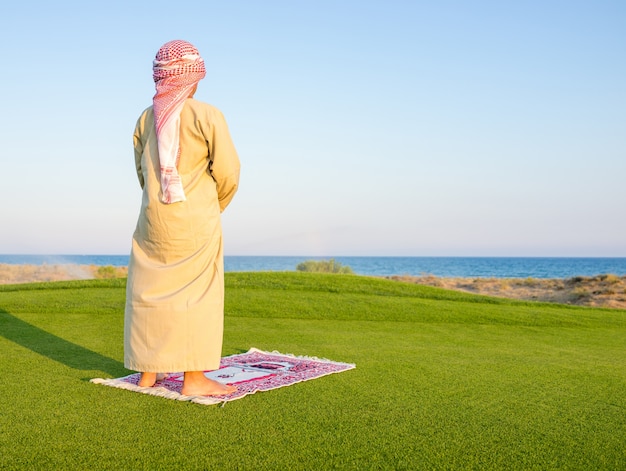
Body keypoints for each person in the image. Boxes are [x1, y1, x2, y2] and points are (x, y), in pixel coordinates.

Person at [124, 40, 240, 396]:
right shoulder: (207, 114)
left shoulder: (146, 117)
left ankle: (148, 372)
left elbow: (142, 172)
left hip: (153, 219)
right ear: (193, 77)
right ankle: (193, 379)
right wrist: (213, 206)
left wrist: (157, 207)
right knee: (197, 295)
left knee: (148, 292)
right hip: (195, 220)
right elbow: (229, 173)